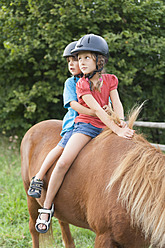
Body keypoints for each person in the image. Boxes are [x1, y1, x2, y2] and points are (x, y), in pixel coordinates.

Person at [35, 34, 135, 233]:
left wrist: (122, 123)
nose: (81, 62)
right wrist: (116, 130)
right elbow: (97, 110)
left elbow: (117, 103)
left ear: (100, 60)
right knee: (63, 161)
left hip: (107, 127)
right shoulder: (81, 84)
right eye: (79, 58)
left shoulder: (111, 80)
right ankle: (46, 208)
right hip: (87, 126)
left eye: (86, 57)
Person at [28, 41, 97, 198]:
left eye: (75, 60)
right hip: (75, 125)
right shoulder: (70, 83)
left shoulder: (96, 82)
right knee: (61, 148)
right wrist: (95, 112)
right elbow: (73, 105)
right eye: (69, 61)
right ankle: (38, 177)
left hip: (95, 125)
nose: (71, 64)